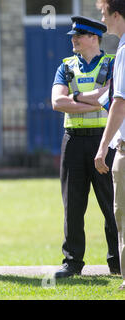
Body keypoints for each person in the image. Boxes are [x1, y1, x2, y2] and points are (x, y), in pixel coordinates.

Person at [51, 16, 120, 278]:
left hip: (104, 139)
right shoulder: (65, 66)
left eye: (78, 36)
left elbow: (112, 98)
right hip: (73, 141)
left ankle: (117, 261)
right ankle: (72, 262)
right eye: (73, 36)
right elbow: (57, 102)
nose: (73, 40)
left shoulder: (112, 64)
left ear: (93, 38)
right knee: (73, 203)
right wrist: (92, 100)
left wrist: (75, 98)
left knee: (111, 203)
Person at [94, 0, 125, 291]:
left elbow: (120, 103)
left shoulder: (124, 51)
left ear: (116, 14)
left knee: (123, 217)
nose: (102, 19)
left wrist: (103, 147)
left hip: (124, 150)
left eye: (103, 13)